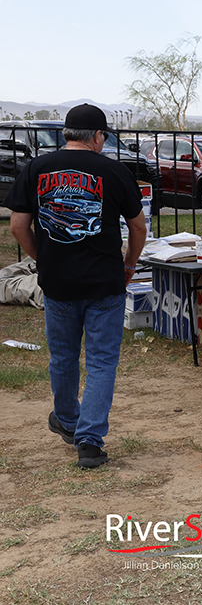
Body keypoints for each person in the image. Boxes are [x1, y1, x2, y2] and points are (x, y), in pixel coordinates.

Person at [3, 104, 146, 469]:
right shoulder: (113, 170)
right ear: (98, 137)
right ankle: (89, 441)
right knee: (101, 362)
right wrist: (129, 264)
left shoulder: (35, 168)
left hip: (58, 282)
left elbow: (18, 227)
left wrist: (42, 258)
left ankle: (67, 419)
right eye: (104, 137)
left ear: (67, 133)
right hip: (104, 282)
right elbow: (139, 227)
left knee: (63, 357)